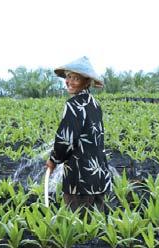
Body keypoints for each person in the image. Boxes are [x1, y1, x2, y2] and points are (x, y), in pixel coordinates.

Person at [45, 56, 112, 212]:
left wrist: (54, 160)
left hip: (80, 180)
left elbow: (66, 140)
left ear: (86, 82)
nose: (69, 81)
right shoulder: (95, 104)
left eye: (76, 78)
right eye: (68, 77)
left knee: (77, 228)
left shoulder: (73, 105)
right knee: (96, 228)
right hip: (99, 177)